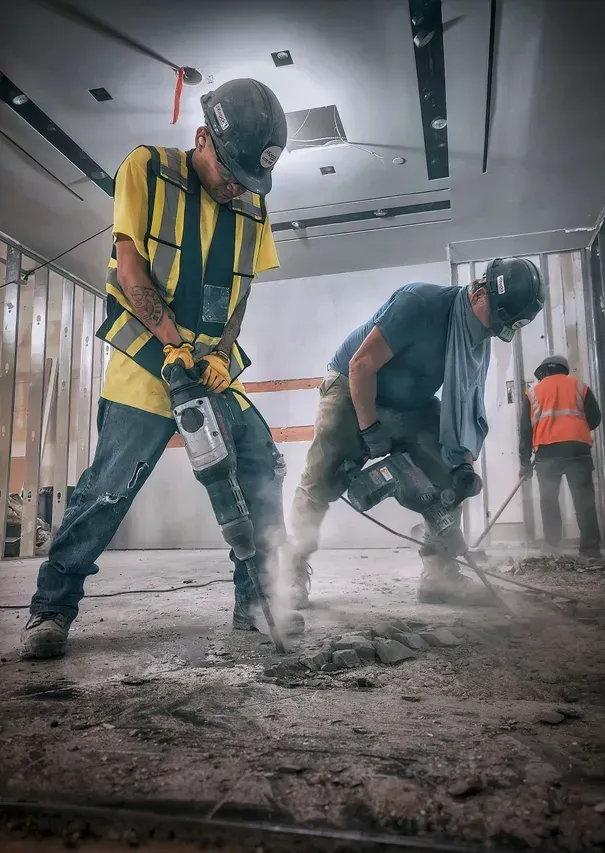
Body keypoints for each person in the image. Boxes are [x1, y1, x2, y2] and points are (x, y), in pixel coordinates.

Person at [21, 78, 302, 660]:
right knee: (108, 490)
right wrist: (172, 348)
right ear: (202, 138)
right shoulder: (146, 168)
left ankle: (256, 599)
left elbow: (241, 293)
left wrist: (223, 353)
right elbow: (129, 269)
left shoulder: (252, 202)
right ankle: (51, 608)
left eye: (248, 182)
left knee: (259, 467)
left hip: (212, 368)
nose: (235, 191)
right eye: (230, 175)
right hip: (148, 362)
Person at [286, 258, 545, 608]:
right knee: (320, 479)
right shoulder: (419, 304)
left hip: (410, 404)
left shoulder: (474, 340)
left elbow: (466, 408)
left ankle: (440, 576)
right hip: (352, 389)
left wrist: (462, 466)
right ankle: (292, 574)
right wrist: (369, 429)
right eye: (496, 322)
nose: (491, 332)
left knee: (449, 470)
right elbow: (361, 365)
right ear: (481, 296)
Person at [519, 355, 602, 558]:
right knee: (584, 501)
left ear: (543, 372)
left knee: (549, 500)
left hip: (547, 453)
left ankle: (552, 546)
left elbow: (525, 431)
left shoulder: (533, 392)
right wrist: (577, 430)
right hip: (577, 450)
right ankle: (590, 549)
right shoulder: (579, 386)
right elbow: (595, 418)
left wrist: (524, 462)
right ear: (564, 370)